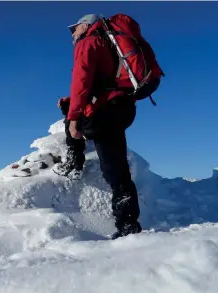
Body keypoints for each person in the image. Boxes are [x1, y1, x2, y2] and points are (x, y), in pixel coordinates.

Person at [53, 13, 142, 239]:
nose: (73, 33)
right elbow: (101, 84)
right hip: (122, 107)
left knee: (113, 171)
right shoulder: (110, 44)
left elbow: (81, 81)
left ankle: (74, 164)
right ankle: (129, 223)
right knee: (118, 167)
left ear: (87, 25)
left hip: (105, 112)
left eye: (76, 28)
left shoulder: (89, 42)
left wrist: (73, 118)